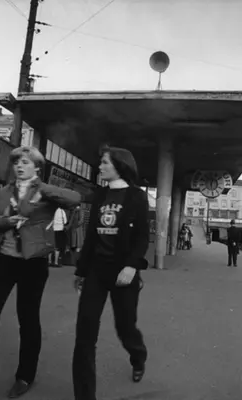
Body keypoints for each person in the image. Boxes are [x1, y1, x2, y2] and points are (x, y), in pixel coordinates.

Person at [0, 146, 81, 400]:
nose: (19, 166)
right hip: (5, 260)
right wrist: (6, 221)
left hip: (33, 263)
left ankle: (25, 375)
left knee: (27, 319)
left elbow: (75, 199)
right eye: (16, 162)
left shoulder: (46, 192)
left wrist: (40, 187)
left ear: (36, 167)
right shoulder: (5, 192)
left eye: (25, 162)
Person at [72, 146, 149, 400]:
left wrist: (132, 266)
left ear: (119, 165)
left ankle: (138, 356)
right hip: (96, 271)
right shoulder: (100, 195)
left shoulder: (136, 196)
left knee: (125, 327)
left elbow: (142, 236)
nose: (100, 167)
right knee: (84, 333)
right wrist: (81, 271)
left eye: (105, 162)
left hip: (123, 271)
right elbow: (91, 236)